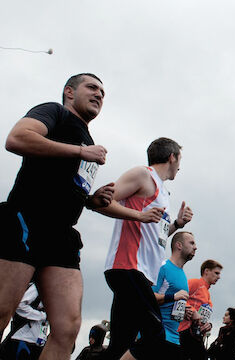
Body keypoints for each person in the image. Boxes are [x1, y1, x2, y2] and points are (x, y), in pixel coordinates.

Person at [0, 73, 114, 360]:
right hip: (26, 219)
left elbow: (64, 183)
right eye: (92, 87)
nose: (99, 94)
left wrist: (90, 200)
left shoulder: (87, 139)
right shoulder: (54, 112)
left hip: (62, 235)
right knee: (1, 310)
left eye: (103, 91)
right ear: (69, 92)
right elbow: (16, 139)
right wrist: (80, 151)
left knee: (67, 328)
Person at [98, 137, 193, 360]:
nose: (180, 166)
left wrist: (177, 225)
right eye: (180, 160)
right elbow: (103, 201)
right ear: (172, 157)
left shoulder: (162, 192)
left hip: (140, 273)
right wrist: (139, 215)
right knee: (154, 336)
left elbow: (154, 234)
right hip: (128, 267)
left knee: (122, 341)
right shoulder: (143, 175)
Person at [121, 231, 195, 359]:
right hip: (156, 334)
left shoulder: (183, 275)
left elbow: (172, 304)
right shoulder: (163, 267)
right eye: (191, 243)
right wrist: (172, 297)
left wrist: (184, 313)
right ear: (179, 245)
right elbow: (147, 297)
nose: (196, 247)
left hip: (174, 340)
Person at [178, 259, 222, 360]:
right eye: (216, 273)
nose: (219, 277)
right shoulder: (195, 283)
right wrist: (192, 311)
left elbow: (202, 315)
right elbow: (179, 297)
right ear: (206, 271)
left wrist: (207, 325)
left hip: (195, 335)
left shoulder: (207, 293)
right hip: (183, 330)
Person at [0, 282, 48, 359]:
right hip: (21, 339)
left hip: (38, 342)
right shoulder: (38, 287)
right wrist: (42, 316)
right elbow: (20, 305)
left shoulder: (54, 291)